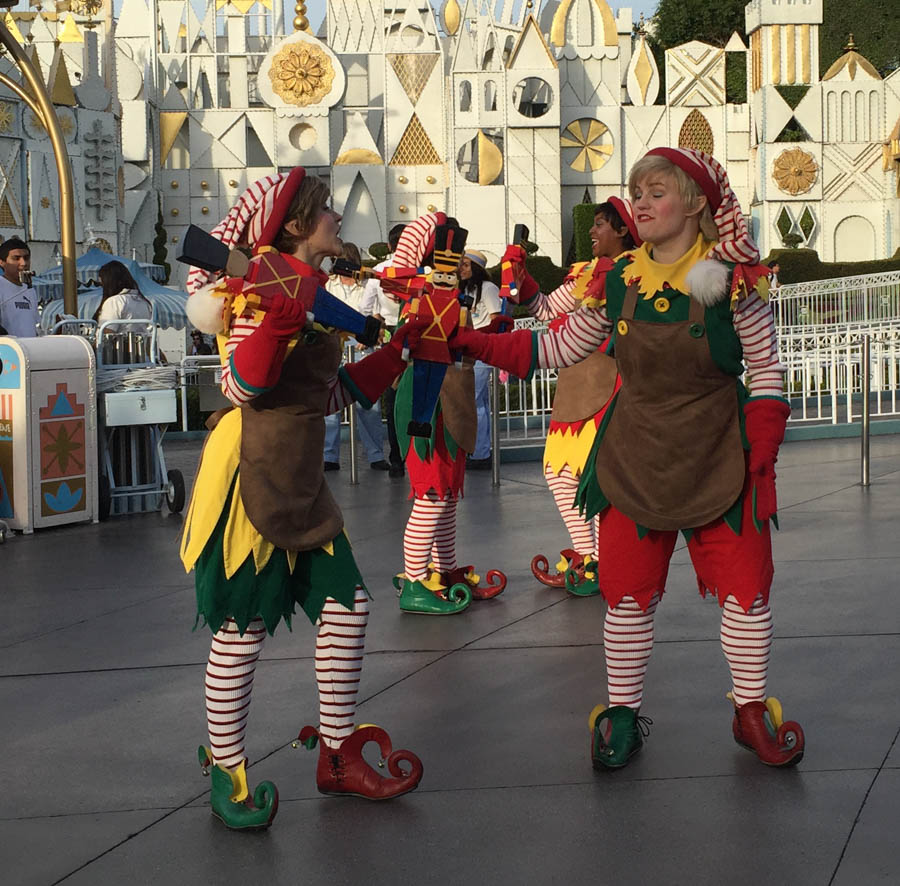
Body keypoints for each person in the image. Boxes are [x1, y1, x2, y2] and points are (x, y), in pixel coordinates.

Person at [451, 148, 804, 771]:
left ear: (697, 203)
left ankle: (750, 710)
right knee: (627, 596)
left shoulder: (735, 280)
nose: (639, 203)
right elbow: (557, 349)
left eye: (656, 191)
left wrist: (764, 448)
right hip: (634, 453)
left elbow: (768, 369)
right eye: (635, 191)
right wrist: (472, 340)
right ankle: (621, 713)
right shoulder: (614, 279)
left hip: (721, 450)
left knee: (747, 592)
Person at [179, 167, 424, 830]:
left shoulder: (312, 293)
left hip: (302, 475)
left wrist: (395, 355)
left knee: (348, 607)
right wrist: (274, 327)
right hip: (250, 473)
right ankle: (229, 770)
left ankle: (338, 755)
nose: (337, 221)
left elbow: (327, 396)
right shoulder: (255, 292)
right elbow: (238, 389)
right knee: (243, 627)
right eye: (327, 212)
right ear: (293, 225)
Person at [507, 200, 639, 593]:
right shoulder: (585, 273)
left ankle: (598, 559)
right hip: (576, 388)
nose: (592, 231)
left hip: (608, 388)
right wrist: (521, 275)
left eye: (600, 224)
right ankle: (593, 556)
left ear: (622, 230)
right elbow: (546, 309)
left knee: (586, 477)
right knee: (565, 474)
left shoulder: (636, 272)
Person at [390, 213, 507, 615]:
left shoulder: (454, 297)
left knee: (448, 495)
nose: (456, 262)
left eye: (456, 254)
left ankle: (445, 570)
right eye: (449, 253)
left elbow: (460, 341)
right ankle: (415, 580)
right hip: (427, 396)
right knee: (432, 495)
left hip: (453, 393)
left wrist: (489, 337)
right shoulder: (415, 293)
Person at [323, 241, 390, 471]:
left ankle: (376, 455)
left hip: (363, 348)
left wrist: (369, 337)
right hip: (334, 347)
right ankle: (328, 456)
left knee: (368, 405)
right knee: (329, 403)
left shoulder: (369, 285)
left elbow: (378, 316)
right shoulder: (329, 285)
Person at [360, 224, 407, 477]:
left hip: (390, 336)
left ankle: (397, 458)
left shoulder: (378, 271)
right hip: (420, 335)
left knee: (393, 399)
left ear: (389, 246)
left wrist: (377, 320)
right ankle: (423, 456)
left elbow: (365, 309)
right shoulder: (425, 271)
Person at [457, 249, 502, 470]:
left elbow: (496, 320)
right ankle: (480, 451)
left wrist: (473, 337)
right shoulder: (464, 290)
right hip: (469, 353)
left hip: (482, 352)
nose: (461, 269)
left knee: (473, 402)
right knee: (478, 403)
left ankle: (479, 452)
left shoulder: (488, 288)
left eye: (466, 265)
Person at [93, 261, 153, 332]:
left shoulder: (114, 302)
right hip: (140, 341)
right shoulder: (143, 301)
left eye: (102, 283)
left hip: (121, 342)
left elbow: (107, 333)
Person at [0, 237, 38, 338]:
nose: (23, 263)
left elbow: (35, 327)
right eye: (16, 258)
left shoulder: (30, 291)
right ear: (2, 262)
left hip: (29, 350)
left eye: (26, 258)